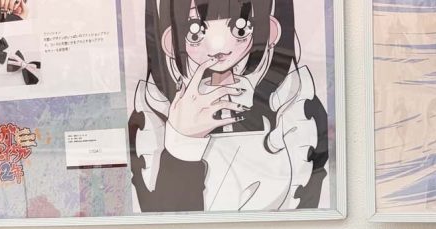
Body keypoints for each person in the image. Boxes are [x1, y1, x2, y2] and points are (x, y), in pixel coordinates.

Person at [129, 0, 328, 213]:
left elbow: (307, 204)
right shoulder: (153, 112)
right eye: (195, 32)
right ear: (170, 41)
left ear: (270, 30)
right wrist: (183, 141)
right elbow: (162, 214)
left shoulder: (297, 104)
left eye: (239, 27)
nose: (218, 47)